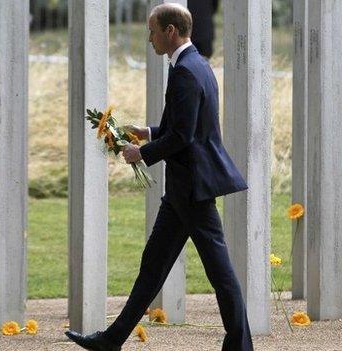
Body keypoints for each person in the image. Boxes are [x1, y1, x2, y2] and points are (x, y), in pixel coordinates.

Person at [65, 3, 253, 351]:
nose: (148, 38)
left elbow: (184, 136)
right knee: (153, 268)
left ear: (170, 31)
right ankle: (111, 339)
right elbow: (184, 125)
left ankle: (240, 345)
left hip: (192, 189)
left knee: (220, 272)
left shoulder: (185, 71)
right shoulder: (195, 64)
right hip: (184, 189)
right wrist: (149, 132)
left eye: (152, 31)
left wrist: (142, 153)